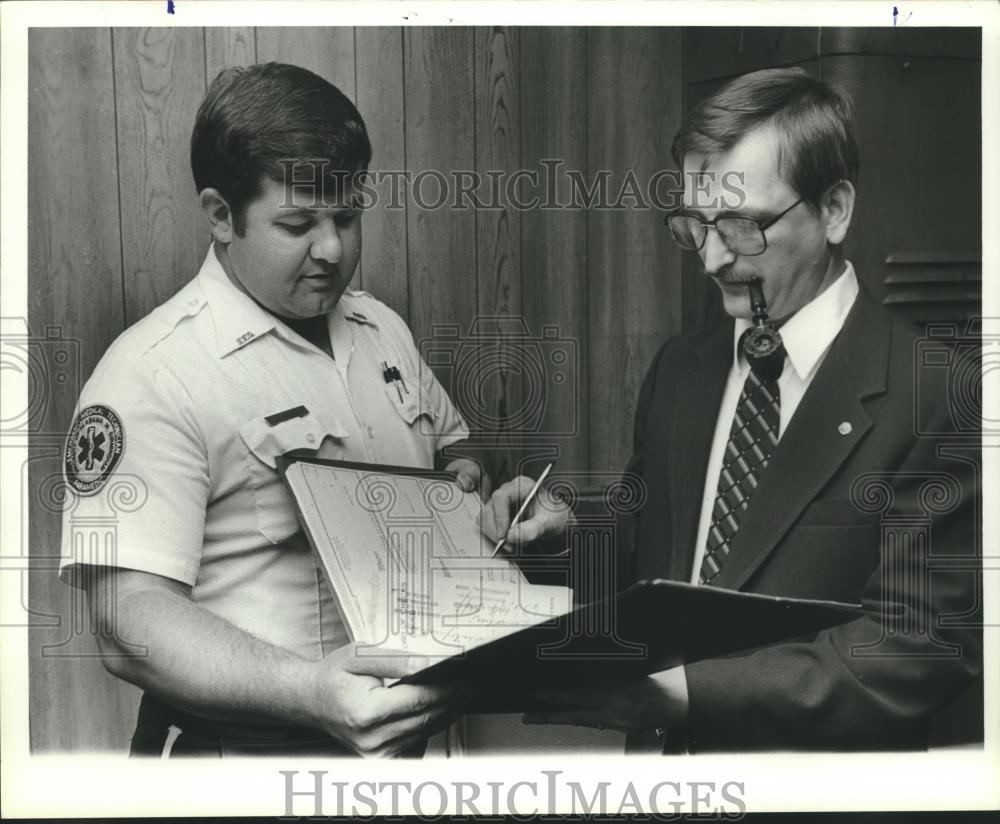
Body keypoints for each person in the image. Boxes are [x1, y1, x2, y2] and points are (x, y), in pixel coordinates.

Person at [482, 67, 981, 751]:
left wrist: (680, 694)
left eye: (743, 226)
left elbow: (919, 647)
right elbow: (652, 556)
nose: (713, 258)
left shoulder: (940, 394)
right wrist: (564, 536)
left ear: (834, 209)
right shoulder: (680, 372)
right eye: (697, 225)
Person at [59, 63, 483, 757]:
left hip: (400, 752)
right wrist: (312, 691)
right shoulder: (149, 373)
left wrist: (480, 497)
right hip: (243, 759)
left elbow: (454, 452)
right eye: (298, 223)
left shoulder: (383, 331)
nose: (333, 249)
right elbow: (126, 625)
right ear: (222, 215)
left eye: (347, 216)